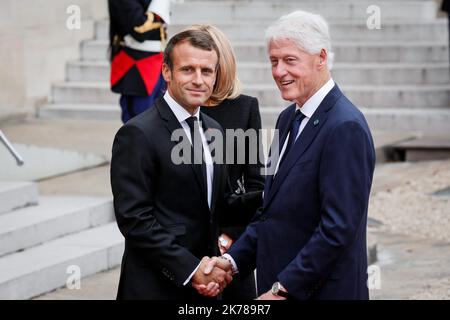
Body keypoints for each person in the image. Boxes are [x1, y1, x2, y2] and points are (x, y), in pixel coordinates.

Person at [206, 10, 376, 300]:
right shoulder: (288, 120)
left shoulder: (345, 126)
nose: (279, 71)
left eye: (289, 60)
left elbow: (337, 230)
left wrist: (283, 289)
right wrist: (231, 263)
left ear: (321, 57)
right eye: (274, 61)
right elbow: (270, 213)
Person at [110, 28, 233, 300]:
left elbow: (218, 206)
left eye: (207, 71)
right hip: (155, 287)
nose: (199, 80)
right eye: (188, 70)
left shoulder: (215, 130)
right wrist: (191, 270)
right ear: (167, 72)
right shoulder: (137, 134)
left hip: (208, 289)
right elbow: (135, 220)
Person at [193, 25, 265, 300]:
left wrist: (229, 240)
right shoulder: (178, 108)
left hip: (231, 247)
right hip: (185, 250)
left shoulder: (245, 108)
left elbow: (255, 185)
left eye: (207, 66)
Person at [108, 0, 170, 123]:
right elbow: (139, 29)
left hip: (157, 63)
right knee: (139, 123)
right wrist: (159, 9)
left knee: (161, 120)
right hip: (138, 68)